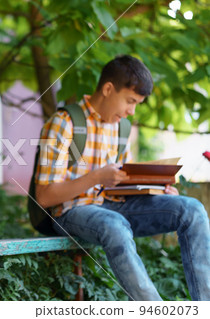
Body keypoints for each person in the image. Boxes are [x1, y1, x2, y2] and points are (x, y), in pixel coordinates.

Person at [34, 55, 210, 301]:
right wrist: (97, 177)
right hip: (72, 211)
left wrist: (158, 188)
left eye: (137, 104)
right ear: (108, 89)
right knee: (114, 225)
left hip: (116, 205)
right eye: (130, 101)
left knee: (192, 210)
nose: (132, 110)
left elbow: (123, 182)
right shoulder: (64, 123)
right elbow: (44, 196)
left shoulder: (122, 127)